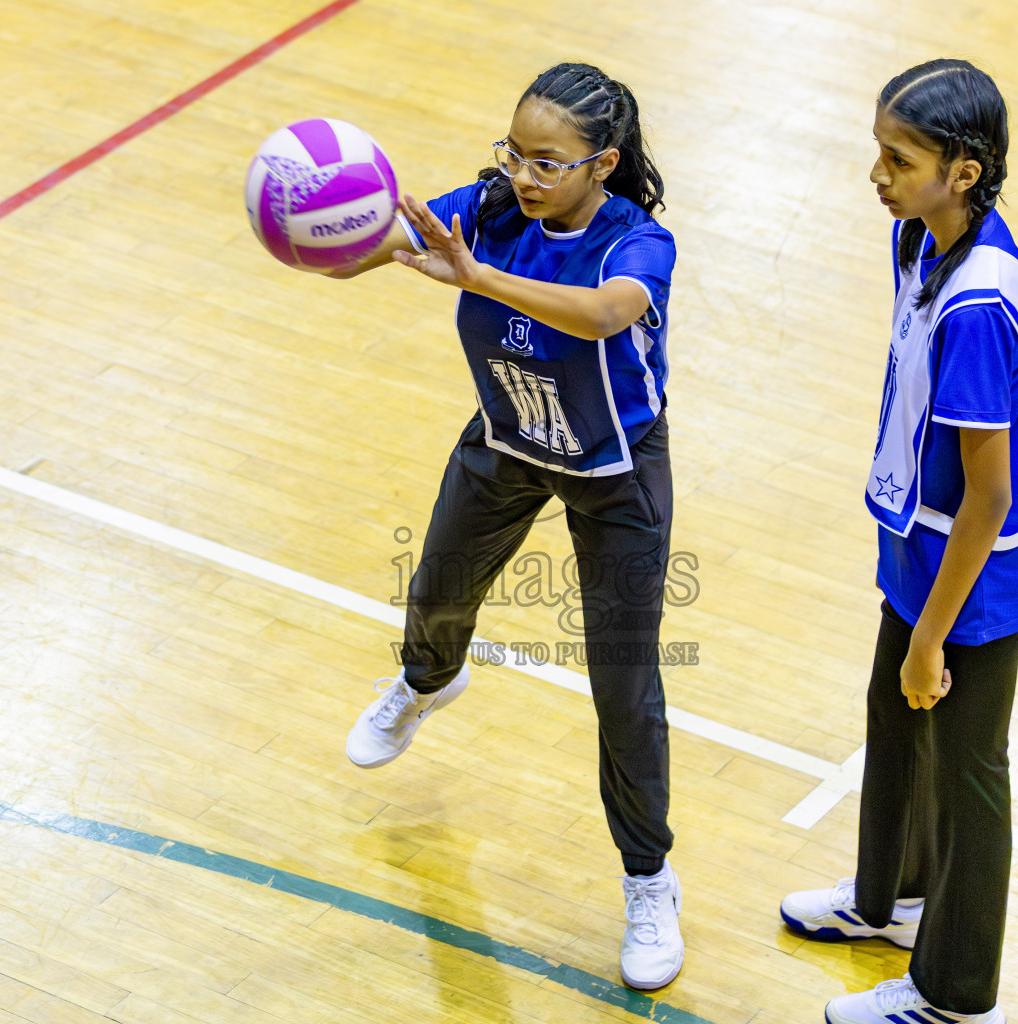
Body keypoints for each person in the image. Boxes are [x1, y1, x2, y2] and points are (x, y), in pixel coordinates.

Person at [307, 63, 684, 990]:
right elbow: (375, 247)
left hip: (614, 470)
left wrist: (477, 277)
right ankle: (429, 684)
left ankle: (649, 880)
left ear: (603, 163)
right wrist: (324, 225)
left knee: (625, 689)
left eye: (546, 162)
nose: (522, 174)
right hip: (510, 437)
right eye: (513, 152)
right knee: (435, 595)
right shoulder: (486, 207)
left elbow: (603, 317)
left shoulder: (637, 245)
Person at [779, 59, 1018, 1024]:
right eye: (878, 151)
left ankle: (954, 993)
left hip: (977, 579)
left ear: (966, 171)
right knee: (893, 722)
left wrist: (933, 636)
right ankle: (888, 900)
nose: (878, 173)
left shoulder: (981, 306)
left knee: (969, 773)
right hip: (917, 543)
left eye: (899, 159)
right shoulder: (917, 238)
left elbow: (991, 495)